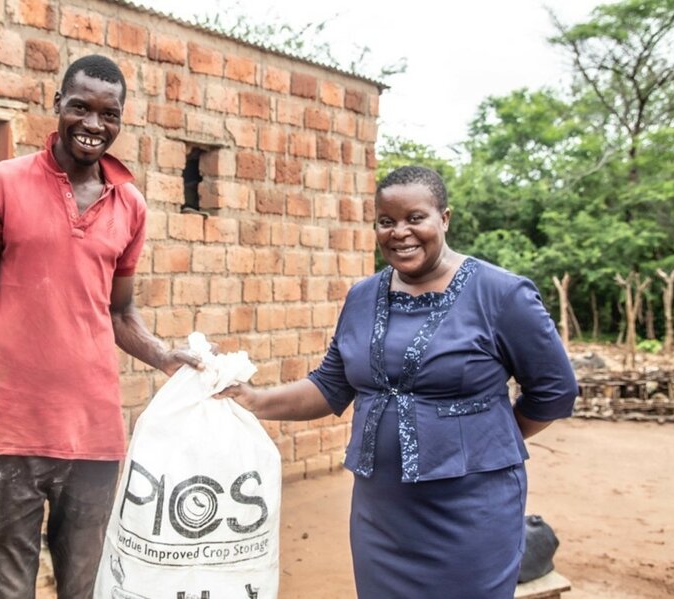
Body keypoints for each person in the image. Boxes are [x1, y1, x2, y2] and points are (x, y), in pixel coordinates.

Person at [219, 165, 578, 598]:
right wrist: (253, 399)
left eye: (415, 218)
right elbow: (330, 386)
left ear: (444, 218)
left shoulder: (501, 294)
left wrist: (489, 436)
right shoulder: (362, 297)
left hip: (471, 509)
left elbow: (556, 391)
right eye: (386, 222)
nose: (400, 232)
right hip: (382, 512)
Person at [0, 55, 201, 599]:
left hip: (95, 440)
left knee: (85, 587)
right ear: (57, 105)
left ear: (121, 120)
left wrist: (167, 357)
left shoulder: (131, 205)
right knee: (7, 590)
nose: (93, 125)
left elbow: (119, 313)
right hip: (9, 436)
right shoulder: (1, 184)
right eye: (80, 107)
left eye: (109, 114)